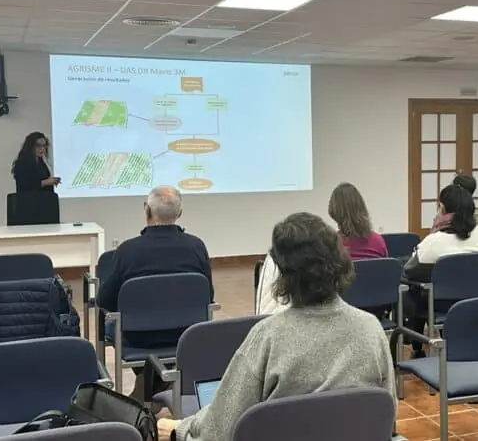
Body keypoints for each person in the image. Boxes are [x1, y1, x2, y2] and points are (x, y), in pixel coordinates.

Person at [158, 212, 396, 441]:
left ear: (283, 275)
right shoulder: (371, 329)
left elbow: (218, 431)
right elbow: (387, 415)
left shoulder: (268, 337)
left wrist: (181, 429)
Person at [97, 186, 212, 398]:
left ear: (147, 210)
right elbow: (209, 296)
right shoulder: (197, 247)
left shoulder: (127, 251)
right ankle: (157, 386)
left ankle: (149, 386)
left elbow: (105, 301)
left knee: (112, 324)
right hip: (187, 335)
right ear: (180, 213)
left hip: (138, 339)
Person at [256, 182, 387, 315]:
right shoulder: (379, 241)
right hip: (378, 309)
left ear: (334, 212)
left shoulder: (332, 245)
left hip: (341, 312)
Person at [404, 184, 478, 357]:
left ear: (443, 210)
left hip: (442, 304)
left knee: (410, 291)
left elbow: (410, 271)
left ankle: (416, 346)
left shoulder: (435, 241)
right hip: (477, 300)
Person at [10, 132, 61, 225]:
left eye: (44, 146)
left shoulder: (41, 162)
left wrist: (51, 181)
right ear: (30, 146)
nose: (42, 149)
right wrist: (45, 182)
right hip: (29, 207)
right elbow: (24, 184)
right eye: (38, 146)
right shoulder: (22, 162)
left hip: (43, 205)